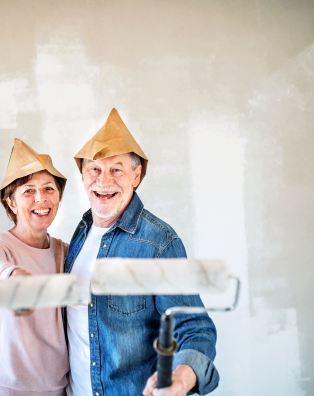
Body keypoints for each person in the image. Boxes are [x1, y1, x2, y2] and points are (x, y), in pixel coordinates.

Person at [64, 109, 219, 396]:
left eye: (117, 170)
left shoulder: (159, 243)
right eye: (94, 169)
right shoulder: (80, 234)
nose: (103, 180)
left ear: (136, 176)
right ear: (83, 176)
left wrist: (181, 378)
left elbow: (195, 328)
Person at [0, 138, 70, 396]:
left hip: (54, 386)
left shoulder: (67, 253)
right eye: (28, 191)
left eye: (49, 188)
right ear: (11, 202)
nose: (41, 198)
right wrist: (14, 276)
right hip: (1, 385)